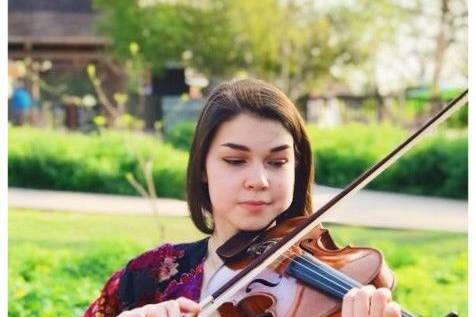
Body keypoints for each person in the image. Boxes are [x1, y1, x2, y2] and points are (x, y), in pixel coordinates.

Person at [83, 79, 401, 317]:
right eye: (235, 161)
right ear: (203, 166)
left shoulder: (338, 293)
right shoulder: (148, 277)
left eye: (277, 162)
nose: (259, 181)